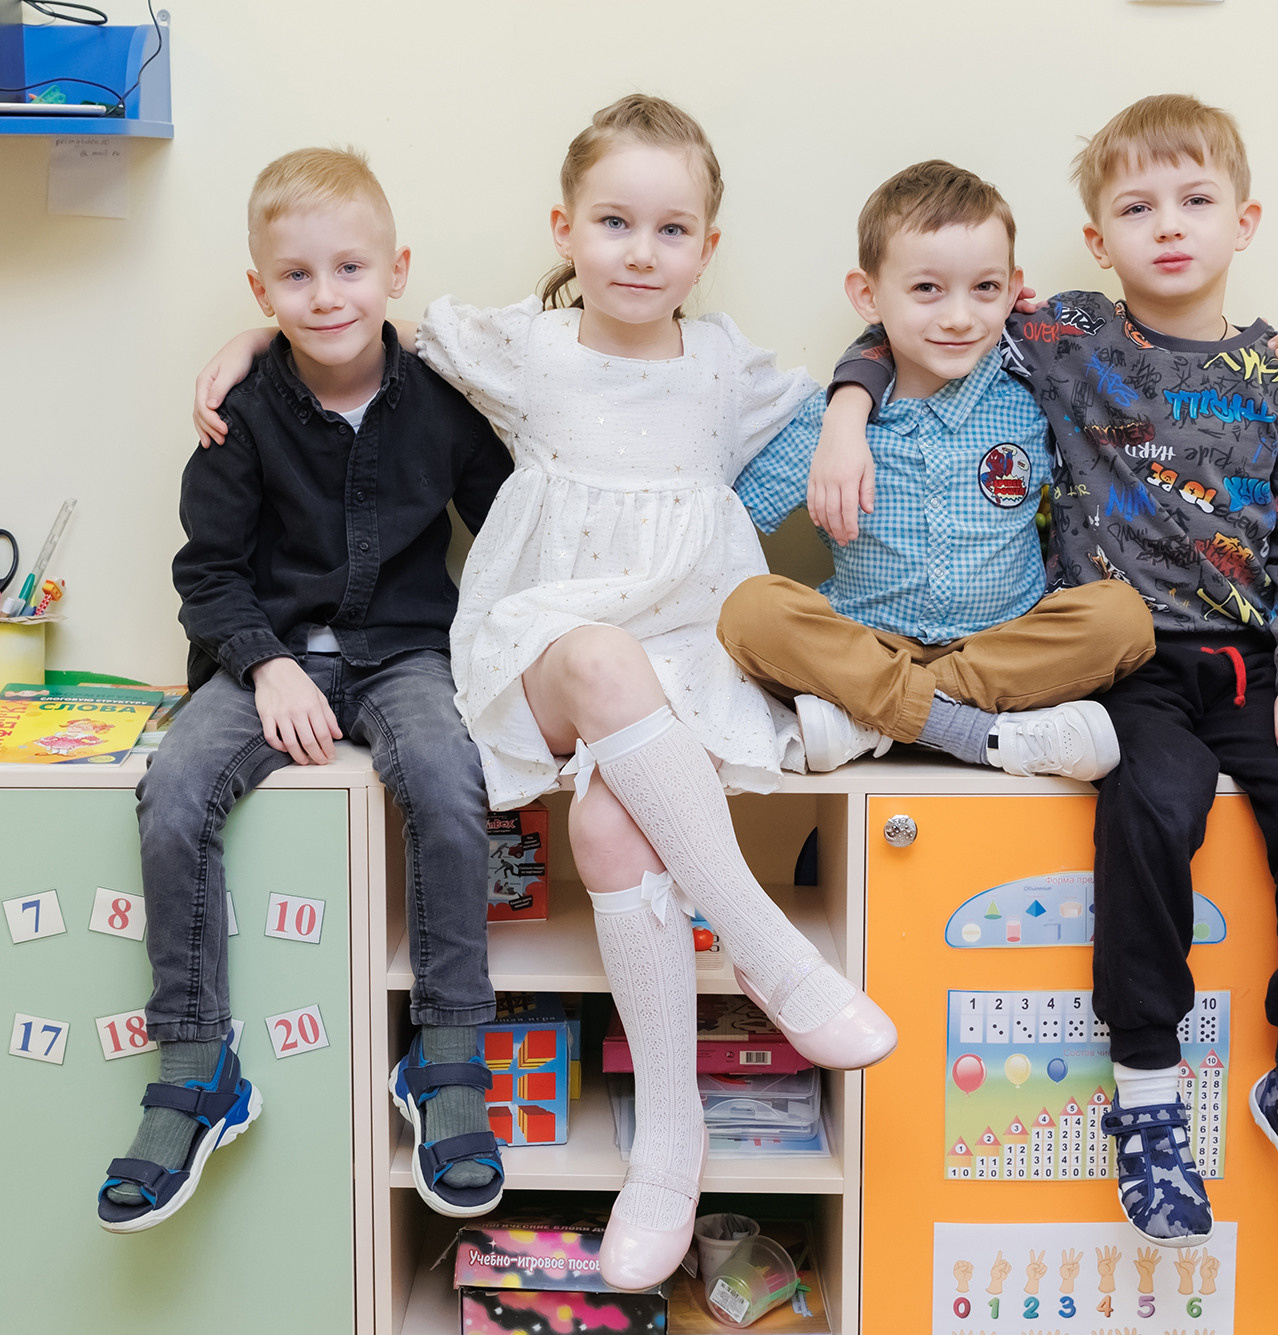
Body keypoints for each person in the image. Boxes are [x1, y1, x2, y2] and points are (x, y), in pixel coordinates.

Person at [193, 96, 897, 1291]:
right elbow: (355, 317)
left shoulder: (722, 364)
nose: (639, 250)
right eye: (613, 222)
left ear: (707, 248)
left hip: (681, 649)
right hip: (544, 649)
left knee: (612, 821)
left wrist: (847, 416)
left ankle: (667, 1153)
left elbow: (869, 350)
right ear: (565, 228)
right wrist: (247, 343)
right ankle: (776, 957)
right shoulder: (526, 347)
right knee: (600, 658)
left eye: (671, 229)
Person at [815, 95, 1278, 1244]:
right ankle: (1147, 1094)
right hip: (1118, 654)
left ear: (1243, 219)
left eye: (1192, 201)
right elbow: (911, 314)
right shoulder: (1063, 337)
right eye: (1134, 207)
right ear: (1094, 240)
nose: (1166, 227)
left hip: (1257, 664)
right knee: (1150, 806)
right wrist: (840, 414)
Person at [106, 147, 514, 1234]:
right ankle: (197, 1070)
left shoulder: (447, 398)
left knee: (443, 772)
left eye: (349, 270)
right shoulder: (238, 411)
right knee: (174, 788)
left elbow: (515, 522)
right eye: (294, 279)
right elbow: (208, 572)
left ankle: (446, 1062)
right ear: (260, 291)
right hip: (268, 654)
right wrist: (268, 662)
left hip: (404, 651)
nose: (325, 296)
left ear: (394, 272)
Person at [717, 160, 1156, 779]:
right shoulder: (831, 421)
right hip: (866, 642)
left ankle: (875, 721)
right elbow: (729, 525)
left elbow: (1150, 385)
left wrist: (1250, 357)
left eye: (983, 288)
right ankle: (977, 734)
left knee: (1123, 618)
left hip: (1004, 647)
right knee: (749, 611)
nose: (958, 317)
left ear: (1011, 289)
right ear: (868, 296)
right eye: (927, 289)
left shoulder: (1036, 397)